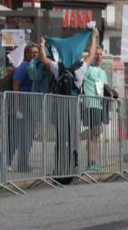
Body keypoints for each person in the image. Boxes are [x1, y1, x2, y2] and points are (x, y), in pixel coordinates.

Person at [38, 29, 97, 179]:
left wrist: (42, 45)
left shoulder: (59, 68)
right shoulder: (80, 69)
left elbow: (44, 60)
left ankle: (58, 168)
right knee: (72, 138)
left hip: (59, 106)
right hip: (73, 106)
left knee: (60, 137)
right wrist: (94, 37)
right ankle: (73, 167)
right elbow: (91, 55)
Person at [80, 42, 116, 173]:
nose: (99, 56)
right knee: (97, 130)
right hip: (90, 103)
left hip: (101, 105)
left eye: (100, 54)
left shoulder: (103, 72)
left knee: (94, 136)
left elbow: (104, 88)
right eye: (96, 54)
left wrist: (111, 94)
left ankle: (92, 162)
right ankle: (78, 137)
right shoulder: (87, 68)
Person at [7, 43, 39, 172]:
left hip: (30, 106)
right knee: (17, 135)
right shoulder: (24, 67)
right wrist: (16, 104)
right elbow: (16, 84)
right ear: (26, 54)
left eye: (37, 52)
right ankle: (8, 162)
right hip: (22, 105)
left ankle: (22, 163)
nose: (35, 55)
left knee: (28, 136)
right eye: (32, 52)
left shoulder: (33, 67)